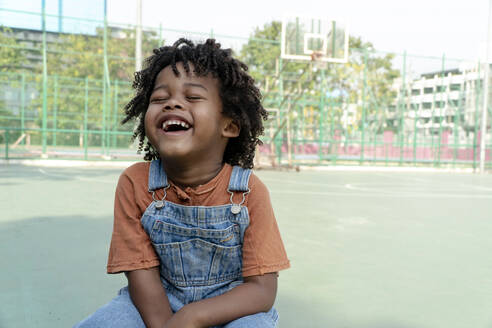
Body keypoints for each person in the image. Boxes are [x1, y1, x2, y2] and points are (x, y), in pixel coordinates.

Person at [74, 38, 290, 328]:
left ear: (230, 125)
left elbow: (262, 290)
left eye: (193, 97)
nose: (172, 103)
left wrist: (192, 316)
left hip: (232, 309)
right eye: (159, 99)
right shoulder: (136, 183)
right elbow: (141, 275)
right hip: (154, 305)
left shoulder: (249, 192)